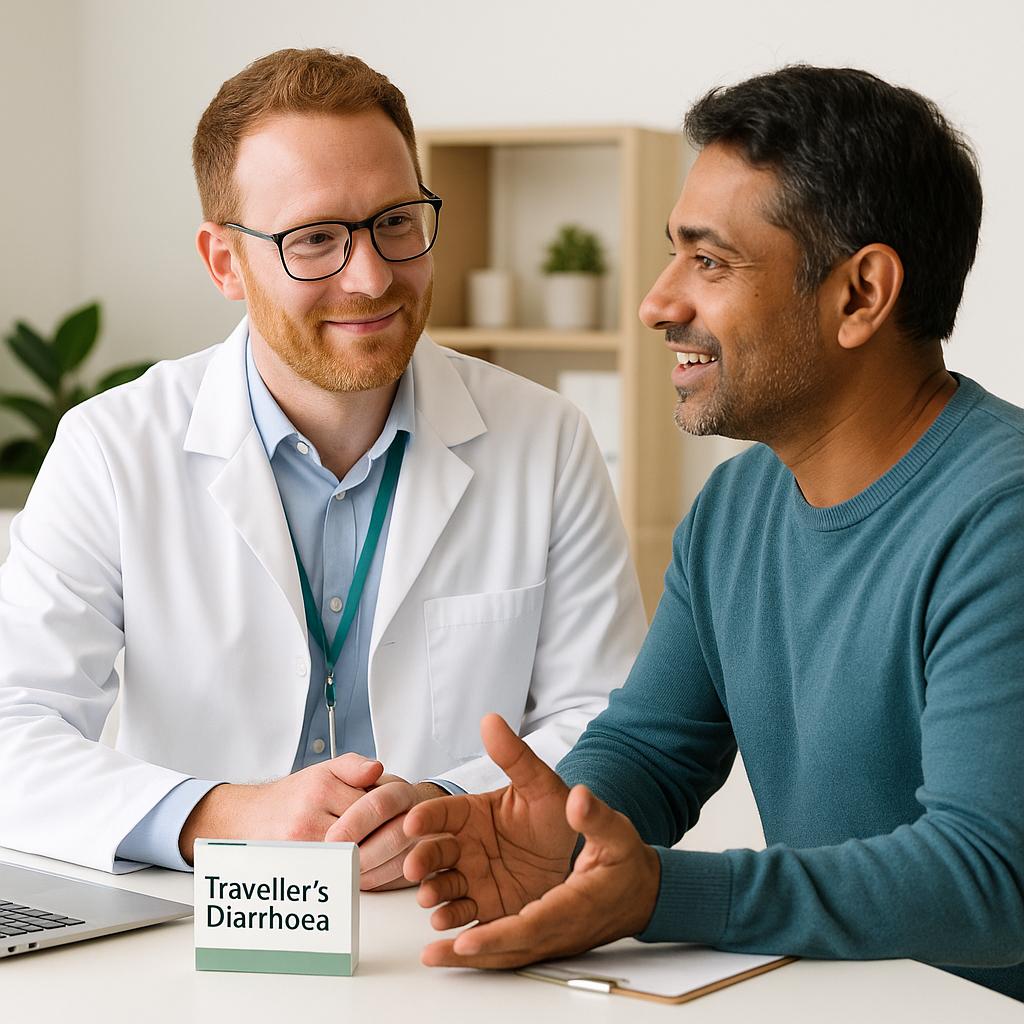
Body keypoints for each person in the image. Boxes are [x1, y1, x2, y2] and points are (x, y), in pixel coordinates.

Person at [403, 66, 1024, 1001]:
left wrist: (660, 895)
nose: (658, 303)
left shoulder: (1000, 517)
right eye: (672, 255)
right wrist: (561, 827)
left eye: (711, 261)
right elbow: (654, 750)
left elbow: (987, 881)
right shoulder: (734, 512)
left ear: (862, 294)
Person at [0, 48, 646, 886]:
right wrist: (225, 815)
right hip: (198, 932)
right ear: (224, 263)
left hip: (457, 912)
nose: (372, 277)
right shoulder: (112, 449)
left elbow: (608, 723)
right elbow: (13, 729)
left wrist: (445, 808)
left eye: (396, 222)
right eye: (315, 240)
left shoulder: (546, 440)